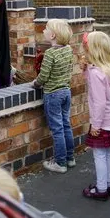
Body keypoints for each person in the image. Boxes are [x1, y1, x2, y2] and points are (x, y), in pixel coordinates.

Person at [80, 31, 110, 201]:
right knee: (106, 153)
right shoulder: (109, 69)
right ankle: (108, 184)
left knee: (99, 154)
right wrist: (86, 69)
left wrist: (95, 125)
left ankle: (100, 190)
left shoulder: (96, 73)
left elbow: (99, 102)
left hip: (102, 121)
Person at [32, 19, 76, 173]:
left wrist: (35, 84)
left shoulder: (50, 54)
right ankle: (70, 158)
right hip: (66, 92)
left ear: (52, 35)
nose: (43, 30)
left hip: (53, 94)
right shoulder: (68, 49)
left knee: (57, 129)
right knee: (66, 125)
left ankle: (60, 163)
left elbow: (43, 76)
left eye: (46, 29)